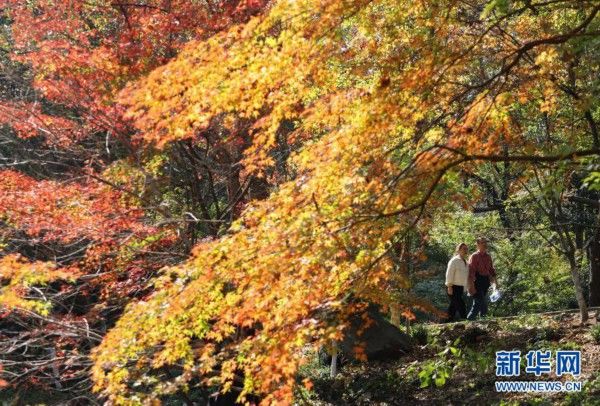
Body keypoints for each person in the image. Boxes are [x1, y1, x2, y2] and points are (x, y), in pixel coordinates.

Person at [467, 237, 498, 320]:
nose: (485, 244)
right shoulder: (474, 256)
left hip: (485, 281)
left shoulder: (488, 256)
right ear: (477, 245)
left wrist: (496, 283)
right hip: (477, 281)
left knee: (478, 304)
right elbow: (471, 272)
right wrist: (471, 286)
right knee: (481, 304)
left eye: (485, 242)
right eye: (482, 243)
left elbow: (492, 270)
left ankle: (481, 323)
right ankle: (470, 321)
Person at [445, 242, 469, 322]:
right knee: (461, 305)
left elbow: (465, 276)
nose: (465, 250)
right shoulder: (454, 260)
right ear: (458, 250)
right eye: (464, 249)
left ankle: (446, 323)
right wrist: (449, 286)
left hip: (460, 288)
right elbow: (449, 273)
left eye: (466, 249)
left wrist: (466, 288)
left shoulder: (466, 262)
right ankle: (465, 321)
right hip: (453, 287)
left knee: (453, 307)